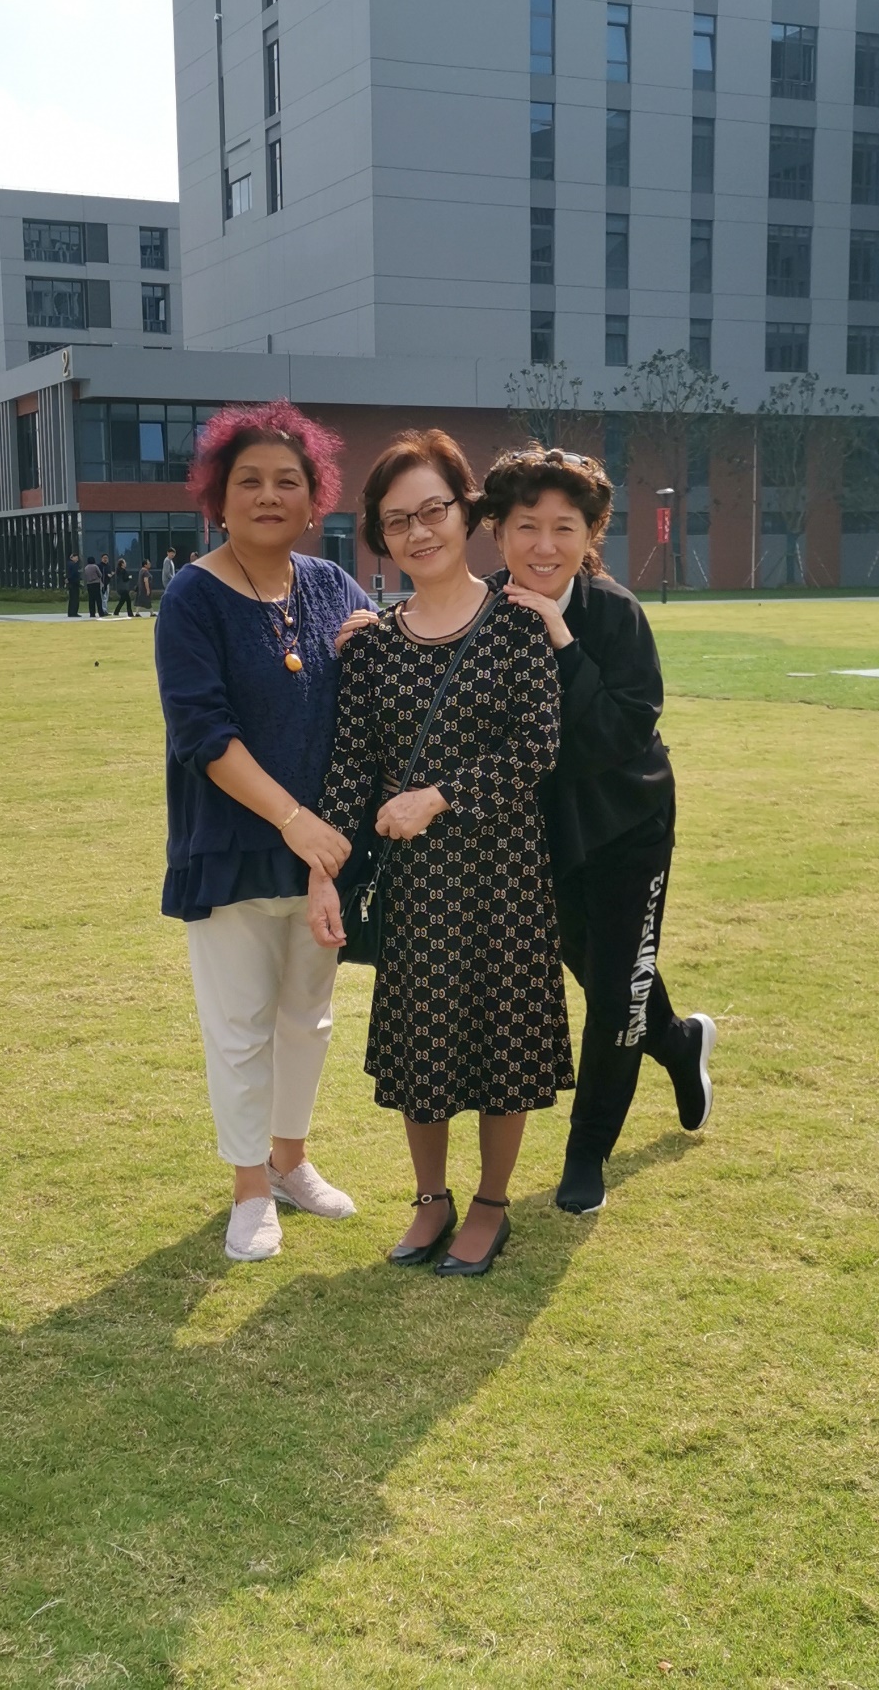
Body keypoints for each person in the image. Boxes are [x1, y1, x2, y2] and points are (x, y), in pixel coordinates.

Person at [309, 430, 572, 1277]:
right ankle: (430, 1199)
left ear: (466, 513)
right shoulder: (370, 645)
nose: (418, 532)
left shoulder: (518, 622)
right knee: (421, 1040)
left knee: (502, 1038)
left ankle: (491, 1203)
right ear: (379, 538)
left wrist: (438, 796)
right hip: (418, 884)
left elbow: (537, 745)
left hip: (504, 873)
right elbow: (350, 768)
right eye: (397, 521)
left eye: (432, 510)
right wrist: (323, 872)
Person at [154, 399, 375, 1263]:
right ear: (217, 495)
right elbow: (202, 735)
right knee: (239, 1023)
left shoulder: (332, 586)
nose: (269, 495)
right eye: (248, 480)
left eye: (288, 481)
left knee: (306, 1019)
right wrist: (292, 821)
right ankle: (249, 1186)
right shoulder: (192, 596)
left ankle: (290, 1161)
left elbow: (379, 696)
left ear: (315, 497)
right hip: (236, 846)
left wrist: (378, 638)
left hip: (322, 858)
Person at [479, 444, 717, 1216]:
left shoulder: (614, 613)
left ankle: (587, 1152)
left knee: (614, 994)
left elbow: (617, 731)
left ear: (590, 534)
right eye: (526, 526)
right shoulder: (478, 610)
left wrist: (560, 635)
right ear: (497, 531)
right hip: (538, 836)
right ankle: (677, 1042)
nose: (543, 545)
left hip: (626, 825)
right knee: (601, 973)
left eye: (564, 527)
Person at [83, 554, 105, 619]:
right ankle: (100, 612)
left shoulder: (86, 567)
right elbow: (100, 574)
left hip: (89, 584)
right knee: (98, 599)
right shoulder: (95, 566)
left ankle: (92, 613)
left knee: (91, 599)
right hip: (96, 583)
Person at [66, 551, 82, 618]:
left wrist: (67, 579)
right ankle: (74, 612)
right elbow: (74, 574)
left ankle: (70, 612)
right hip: (74, 583)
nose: (77, 559)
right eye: (76, 558)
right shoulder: (74, 565)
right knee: (75, 599)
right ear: (72, 557)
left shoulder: (68, 564)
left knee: (71, 598)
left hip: (70, 583)